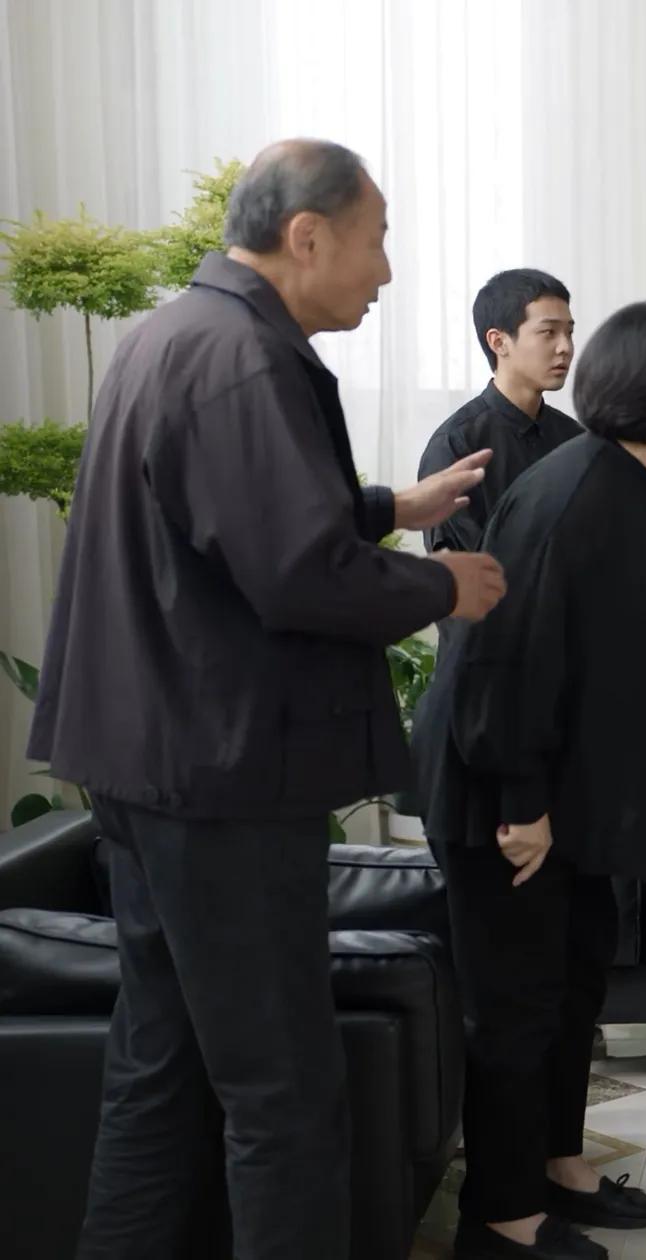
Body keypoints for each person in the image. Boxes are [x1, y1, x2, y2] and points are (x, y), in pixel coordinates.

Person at [25, 139, 507, 1260]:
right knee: (284, 1093)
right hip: (224, 777)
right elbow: (297, 574)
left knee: (160, 1068)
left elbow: (223, 517)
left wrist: (388, 506)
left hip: (150, 764)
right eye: (377, 240)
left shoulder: (171, 334)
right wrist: (446, 584)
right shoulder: (246, 356)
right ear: (307, 235)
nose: (385, 271)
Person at [413, 300, 646, 1259]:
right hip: (503, 798)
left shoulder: (635, 491)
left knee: (573, 986)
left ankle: (556, 1164)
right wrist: (522, 807)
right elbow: (497, 663)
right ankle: (501, 1217)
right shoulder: (573, 499)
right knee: (515, 1007)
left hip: (565, 801)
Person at [418, 268, 581, 557]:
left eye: (569, 332)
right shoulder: (455, 446)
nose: (565, 347)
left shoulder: (575, 439)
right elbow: (461, 567)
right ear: (499, 342)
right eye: (548, 332)